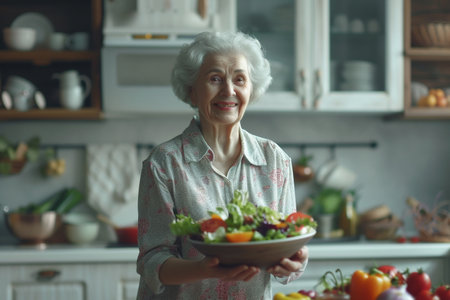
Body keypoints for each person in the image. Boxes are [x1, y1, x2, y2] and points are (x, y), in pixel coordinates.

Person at [136, 31, 309, 300]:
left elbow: (286, 249)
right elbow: (152, 262)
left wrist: (295, 261)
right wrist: (204, 269)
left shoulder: (275, 159)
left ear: (251, 90)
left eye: (239, 79)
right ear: (192, 90)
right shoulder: (165, 163)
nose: (229, 91)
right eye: (215, 78)